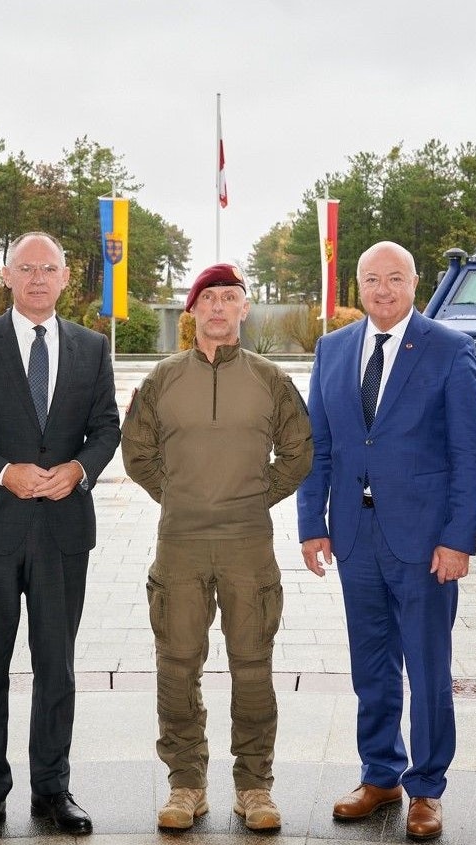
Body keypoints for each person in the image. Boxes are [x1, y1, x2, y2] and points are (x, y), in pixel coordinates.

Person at [0, 231, 120, 845]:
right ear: (6, 276)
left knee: (56, 667)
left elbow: (106, 427)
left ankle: (52, 788)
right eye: (26, 268)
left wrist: (80, 469)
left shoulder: (92, 348)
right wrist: (2, 471)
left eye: (50, 269)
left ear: (66, 279)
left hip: (62, 532)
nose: (38, 278)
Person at [297, 241, 476, 841]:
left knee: (428, 667)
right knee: (371, 664)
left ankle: (428, 787)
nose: (383, 289)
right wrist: (312, 523)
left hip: (426, 541)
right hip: (355, 535)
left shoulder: (450, 350)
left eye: (395, 278)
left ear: (415, 283)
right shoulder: (332, 350)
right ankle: (381, 774)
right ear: (358, 286)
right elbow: (317, 448)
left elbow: (468, 455)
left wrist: (458, 539)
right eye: (372, 279)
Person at [121, 263, 313, 833]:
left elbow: (299, 453)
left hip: (247, 546)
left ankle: (255, 786)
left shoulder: (271, 380)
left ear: (244, 309)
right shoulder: (161, 380)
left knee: (253, 667)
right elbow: (137, 455)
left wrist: (254, 499)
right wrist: (179, 498)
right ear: (193, 310)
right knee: (177, 665)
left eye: (231, 298)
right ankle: (186, 784)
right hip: (178, 545)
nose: (220, 308)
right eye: (209, 298)